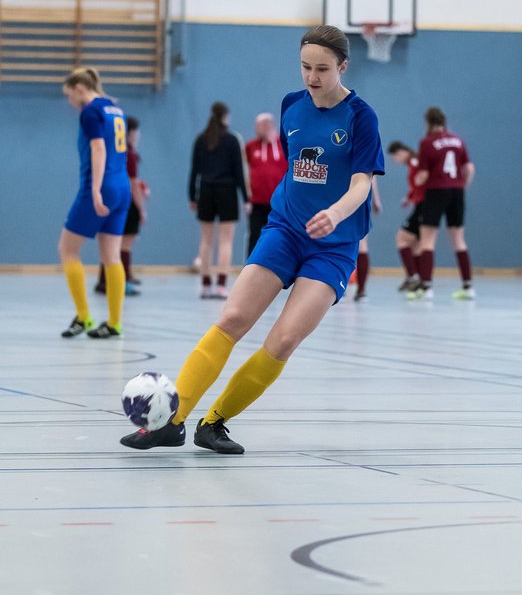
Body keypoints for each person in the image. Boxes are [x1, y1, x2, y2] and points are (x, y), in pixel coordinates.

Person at [121, 25, 383, 454]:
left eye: (322, 69)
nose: (312, 77)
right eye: (305, 67)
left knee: (283, 340)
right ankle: (172, 421)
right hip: (284, 230)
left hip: (333, 245)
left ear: (343, 67)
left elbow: (361, 184)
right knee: (232, 319)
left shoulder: (361, 116)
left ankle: (215, 422)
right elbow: (296, 168)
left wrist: (334, 214)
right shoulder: (291, 106)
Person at [58, 67, 131, 340]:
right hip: (122, 186)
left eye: (70, 96)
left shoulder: (90, 111)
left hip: (101, 186)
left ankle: (84, 316)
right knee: (111, 255)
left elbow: (98, 148)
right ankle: (114, 322)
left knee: (67, 249)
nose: (70, 102)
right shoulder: (114, 108)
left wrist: (96, 190)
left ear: (79, 89)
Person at [408, 107, 475, 301]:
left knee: (427, 240)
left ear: (428, 122)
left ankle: (427, 287)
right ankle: (468, 286)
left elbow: (423, 175)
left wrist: (416, 184)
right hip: (457, 191)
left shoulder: (427, 143)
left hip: (436, 190)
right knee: (459, 240)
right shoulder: (458, 140)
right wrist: (462, 186)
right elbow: (469, 168)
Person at [188, 102, 248, 298]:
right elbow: (239, 172)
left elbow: (194, 170)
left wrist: (192, 195)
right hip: (227, 191)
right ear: (225, 117)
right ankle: (221, 284)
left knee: (205, 240)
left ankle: (206, 284)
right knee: (226, 240)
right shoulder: (232, 140)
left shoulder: (200, 139)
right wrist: (246, 198)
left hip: (206, 191)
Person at [96, 116, 146, 297]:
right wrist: (141, 208)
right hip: (126, 201)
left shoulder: (111, 151)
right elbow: (133, 184)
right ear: (131, 132)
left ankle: (104, 281)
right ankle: (122, 281)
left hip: (110, 197)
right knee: (124, 244)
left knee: (109, 244)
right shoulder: (129, 154)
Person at [245, 111, 287, 256]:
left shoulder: (283, 145)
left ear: (269, 125)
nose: (256, 129)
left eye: (259, 125)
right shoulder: (251, 147)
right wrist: (247, 199)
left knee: (278, 236)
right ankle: (250, 268)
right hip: (257, 202)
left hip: (278, 203)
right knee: (254, 236)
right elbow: (245, 172)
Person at [386, 141, 424, 291]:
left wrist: (413, 196)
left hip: (424, 205)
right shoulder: (414, 162)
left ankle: (413, 277)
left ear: (401, 152)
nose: (396, 160)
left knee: (402, 238)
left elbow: (422, 182)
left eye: (395, 156)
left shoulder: (415, 162)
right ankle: (419, 278)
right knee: (416, 244)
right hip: (421, 205)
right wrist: (409, 197)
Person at [352, 177, 382, 300]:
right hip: (359, 196)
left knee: (361, 244)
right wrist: (376, 199)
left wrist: (376, 199)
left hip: (351, 196)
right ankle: (361, 289)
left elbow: (371, 175)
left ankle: (361, 289)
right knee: (361, 245)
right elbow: (371, 175)